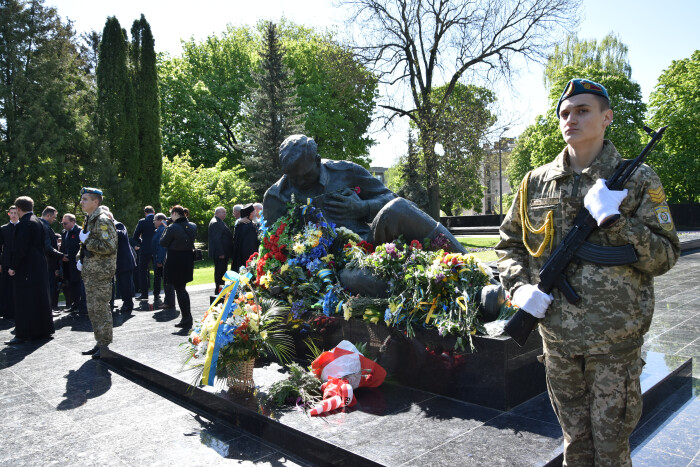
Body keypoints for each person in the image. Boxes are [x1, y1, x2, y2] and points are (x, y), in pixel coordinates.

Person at [496, 78, 681, 466]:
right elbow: (509, 245)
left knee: (612, 450)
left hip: (615, 345)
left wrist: (615, 220)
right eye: (565, 112)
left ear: (606, 117)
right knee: (575, 446)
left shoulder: (638, 179)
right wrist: (518, 287)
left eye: (583, 110)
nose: (571, 119)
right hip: (558, 344)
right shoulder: (534, 183)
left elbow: (664, 256)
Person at [263, 134, 465, 252]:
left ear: (317, 160)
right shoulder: (276, 197)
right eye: (292, 177)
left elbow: (391, 198)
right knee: (355, 277)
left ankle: (471, 267)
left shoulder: (346, 171)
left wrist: (361, 207)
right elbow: (272, 247)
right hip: (327, 267)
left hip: (369, 243)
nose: (299, 182)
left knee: (399, 207)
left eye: (305, 176)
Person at [5, 196, 54, 344]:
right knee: (40, 298)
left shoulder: (24, 223)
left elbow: (21, 248)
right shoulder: (39, 222)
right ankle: (43, 331)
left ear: (18, 209)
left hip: (27, 267)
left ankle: (22, 334)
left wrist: (13, 266)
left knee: (24, 301)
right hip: (39, 266)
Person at [77, 187, 117, 359]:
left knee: (101, 309)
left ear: (95, 201)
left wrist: (89, 241)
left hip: (101, 272)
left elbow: (110, 247)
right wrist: (81, 257)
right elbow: (85, 246)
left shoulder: (102, 219)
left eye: (85, 199)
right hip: (91, 271)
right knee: (93, 310)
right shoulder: (90, 218)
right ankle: (99, 342)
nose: (81, 202)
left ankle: (105, 345)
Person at [159, 205, 195, 329]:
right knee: (182, 289)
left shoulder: (172, 227)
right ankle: (187, 317)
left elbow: (163, 242)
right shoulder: (192, 226)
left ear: (174, 213)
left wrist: (166, 228)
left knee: (180, 290)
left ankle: (186, 318)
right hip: (187, 259)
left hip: (175, 260)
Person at [105, 209, 136, 315]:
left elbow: (121, 234)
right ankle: (117, 302)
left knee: (125, 284)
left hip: (124, 261)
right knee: (118, 284)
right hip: (116, 262)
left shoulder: (118, 224)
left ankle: (128, 304)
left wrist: (108, 227)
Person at [40, 206, 64, 311]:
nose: (54, 219)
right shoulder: (44, 226)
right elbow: (47, 247)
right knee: (48, 288)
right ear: (48, 215)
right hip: (47, 263)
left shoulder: (42, 225)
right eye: (54, 217)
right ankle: (47, 310)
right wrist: (61, 255)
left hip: (47, 262)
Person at [60, 213, 83, 313]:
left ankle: (80, 304)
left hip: (76, 264)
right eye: (62, 223)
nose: (64, 225)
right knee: (71, 283)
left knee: (78, 283)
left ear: (73, 222)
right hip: (67, 264)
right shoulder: (65, 232)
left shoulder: (79, 231)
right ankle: (74, 304)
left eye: (65, 223)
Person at [208, 206, 233, 294]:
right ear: (217, 213)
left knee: (222, 272)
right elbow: (216, 239)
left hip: (223, 253)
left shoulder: (219, 222)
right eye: (223, 212)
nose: (225, 214)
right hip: (221, 254)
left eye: (225, 212)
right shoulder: (216, 223)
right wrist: (221, 252)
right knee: (220, 273)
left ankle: (220, 290)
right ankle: (219, 291)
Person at [0, 206, 19, 320]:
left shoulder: (23, 227)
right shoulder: (3, 229)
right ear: (8, 214)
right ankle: (6, 311)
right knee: (6, 288)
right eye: (11, 213)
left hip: (20, 262)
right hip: (6, 262)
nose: (13, 215)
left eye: (15, 213)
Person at [132, 205, 155, 299]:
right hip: (157, 249)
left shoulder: (142, 222)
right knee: (159, 271)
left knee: (143, 271)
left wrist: (139, 243)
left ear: (145, 213)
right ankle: (157, 293)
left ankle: (144, 294)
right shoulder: (160, 220)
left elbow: (135, 236)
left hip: (145, 249)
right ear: (153, 212)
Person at [231, 204, 259, 273]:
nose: (255, 214)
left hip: (239, 256)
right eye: (253, 212)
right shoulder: (249, 226)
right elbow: (250, 244)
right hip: (247, 256)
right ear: (250, 213)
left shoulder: (240, 224)